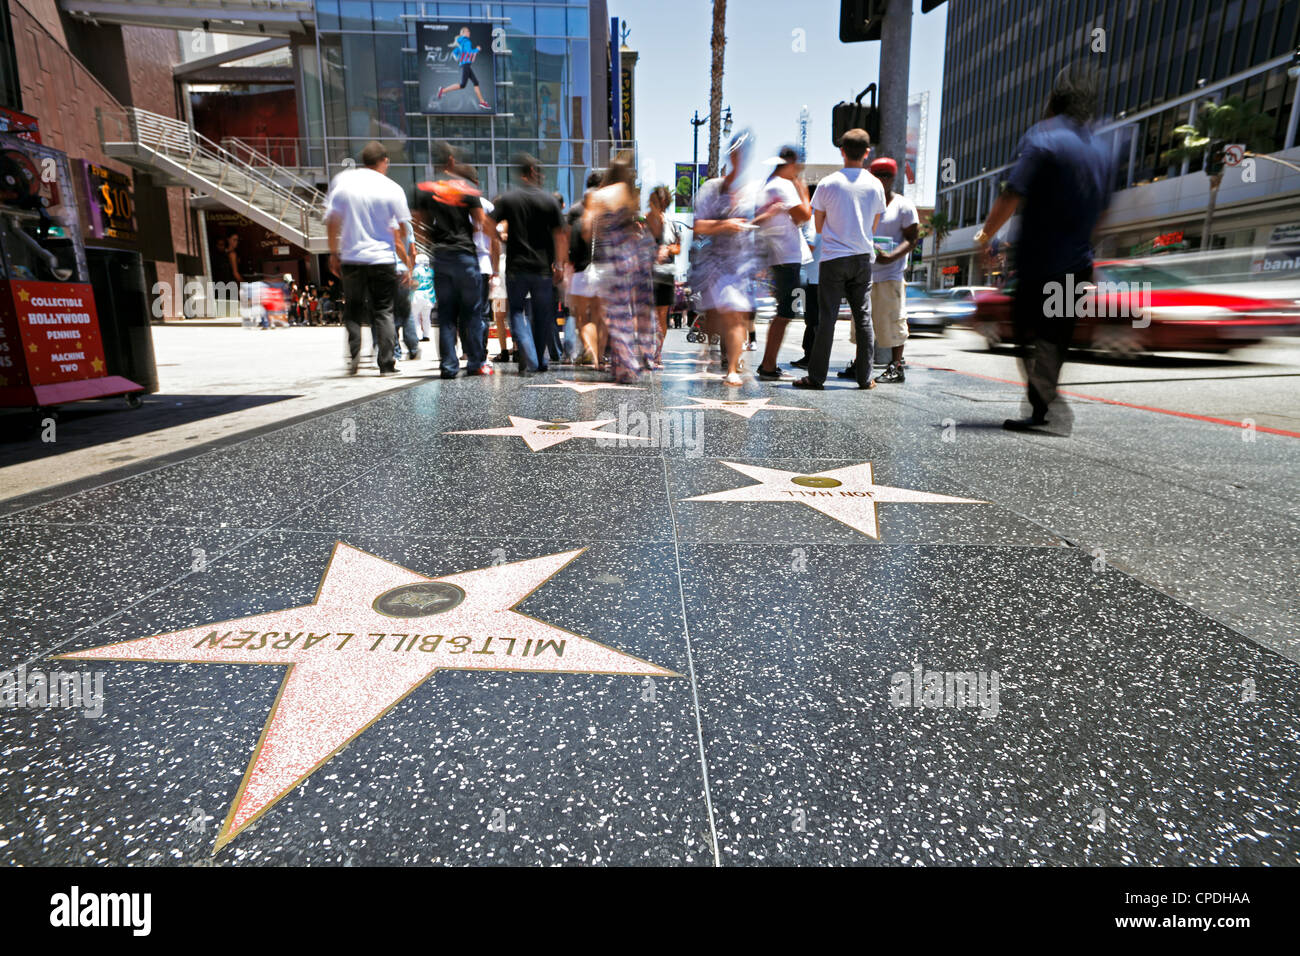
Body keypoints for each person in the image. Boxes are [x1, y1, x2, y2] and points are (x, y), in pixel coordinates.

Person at [976, 64, 1111, 433]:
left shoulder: (1043, 138)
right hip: (1078, 265)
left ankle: (1043, 405)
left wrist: (985, 237)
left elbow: (1011, 192)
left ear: (1053, 102)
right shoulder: (1100, 148)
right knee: (1056, 336)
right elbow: (1104, 210)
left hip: (1040, 265)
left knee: (1027, 332)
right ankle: (1045, 401)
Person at [794, 128, 885, 391]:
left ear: (841, 151)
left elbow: (819, 226)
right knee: (864, 318)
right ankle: (865, 377)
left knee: (827, 319)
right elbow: (874, 225)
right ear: (867, 153)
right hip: (862, 258)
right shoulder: (876, 184)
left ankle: (816, 377)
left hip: (833, 258)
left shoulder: (827, 183)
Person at [325, 140, 413, 375]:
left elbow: (332, 222)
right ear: (384, 161)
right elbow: (403, 229)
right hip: (382, 258)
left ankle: (353, 359)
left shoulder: (343, 183)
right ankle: (386, 364)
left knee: (352, 308)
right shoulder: (392, 188)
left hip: (352, 258)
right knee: (384, 310)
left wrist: (334, 252)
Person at [412, 144, 495, 378]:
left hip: (440, 256)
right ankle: (476, 363)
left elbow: (418, 224)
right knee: (472, 313)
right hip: (465, 256)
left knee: (447, 314)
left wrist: (432, 240)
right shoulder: (466, 189)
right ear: (450, 160)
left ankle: (448, 366)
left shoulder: (425, 189)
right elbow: (479, 222)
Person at [490, 153, 568, 374]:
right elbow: (561, 236)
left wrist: (496, 238)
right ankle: (538, 360)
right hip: (542, 268)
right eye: (539, 171)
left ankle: (531, 354)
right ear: (532, 172)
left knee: (516, 311)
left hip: (516, 267)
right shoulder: (549, 201)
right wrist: (560, 265)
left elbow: (488, 223)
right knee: (543, 315)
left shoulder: (509, 199)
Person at [693, 131, 759, 386]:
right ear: (730, 155)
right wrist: (725, 224)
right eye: (736, 152)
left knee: (735, 314)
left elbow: (757, 223)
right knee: (721, 315)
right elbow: (699, 226)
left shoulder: (750, 191)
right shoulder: (712, 188)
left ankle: (731, 366)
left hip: (742, 263)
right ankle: (714, 350)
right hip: (716, 264)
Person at [853, 157, 918, 384]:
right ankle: (860, 363)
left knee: (894, 321)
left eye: (885, 175)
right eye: (877, 174)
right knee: (862, 321)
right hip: (866, 271)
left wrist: (892, 256)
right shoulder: (865, 203)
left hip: (891, 273)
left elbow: (912, 239)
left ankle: (896, 366)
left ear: (893, 177)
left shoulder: (903, 205)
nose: (881, 179)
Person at [582, 151, 645, 384]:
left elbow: (587, 230)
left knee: (612, 315)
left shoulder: (599, 196)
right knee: (624, 313)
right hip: (628, 261)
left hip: (607, 261)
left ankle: (625, 365)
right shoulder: (629, 196)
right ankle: (624, 363)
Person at [753, 146, 813, 380]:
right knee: (786, 312)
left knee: (786, 311)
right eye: (798, 167)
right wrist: (804, 192)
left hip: (781, 256)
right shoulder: (783, 185)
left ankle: (769, 363)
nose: (799, 173)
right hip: (786, 257)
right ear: (790, 164)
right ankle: (768, 365)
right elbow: (803, 215)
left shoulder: (769, 184)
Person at [565, 171, 605, 367]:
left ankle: (588, 348)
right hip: (603, 270)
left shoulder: (575, 212)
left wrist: (564, 263)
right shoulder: (607, 212)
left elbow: (567, 240)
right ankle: (598, 355)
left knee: (580, 316)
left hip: (581, 270)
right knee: (598, 316)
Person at [645, 185, 681, 367]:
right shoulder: (644, 222)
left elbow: (678, 247)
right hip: (647, 275)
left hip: (665, 275)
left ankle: (657, 353)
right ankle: (647, 352)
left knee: (661, 315)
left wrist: (668, 249)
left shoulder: (671, 224)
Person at [436, 26, 492, 111]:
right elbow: (469, 52)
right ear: (463, 33)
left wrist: (459, 58)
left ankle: (482, 102)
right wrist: (477, 49)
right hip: (466, 64)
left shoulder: (461, 43)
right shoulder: (467, 41)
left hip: (465, 64)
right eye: (467, 31)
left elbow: (455, 53)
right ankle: (442, 90)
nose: (469, 33)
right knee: (462, 85)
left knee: (475, 82)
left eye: (469, 31)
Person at [392, 218, 421, 362]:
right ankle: (413, 348)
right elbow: (413, 252)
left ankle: (395, 352)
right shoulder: (407, 225)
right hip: (403, 271)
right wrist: (409, 271)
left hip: (387, 268)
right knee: (406, 310)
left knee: (388, 312)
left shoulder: (383, 221)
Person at [411, 252, 435, 341]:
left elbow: (413, 283)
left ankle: (418, 335)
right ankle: (426, 335)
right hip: (429, 296)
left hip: (417, 295)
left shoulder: (415, 271)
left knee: (415, 316)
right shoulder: (431, 271)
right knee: (426, 317)